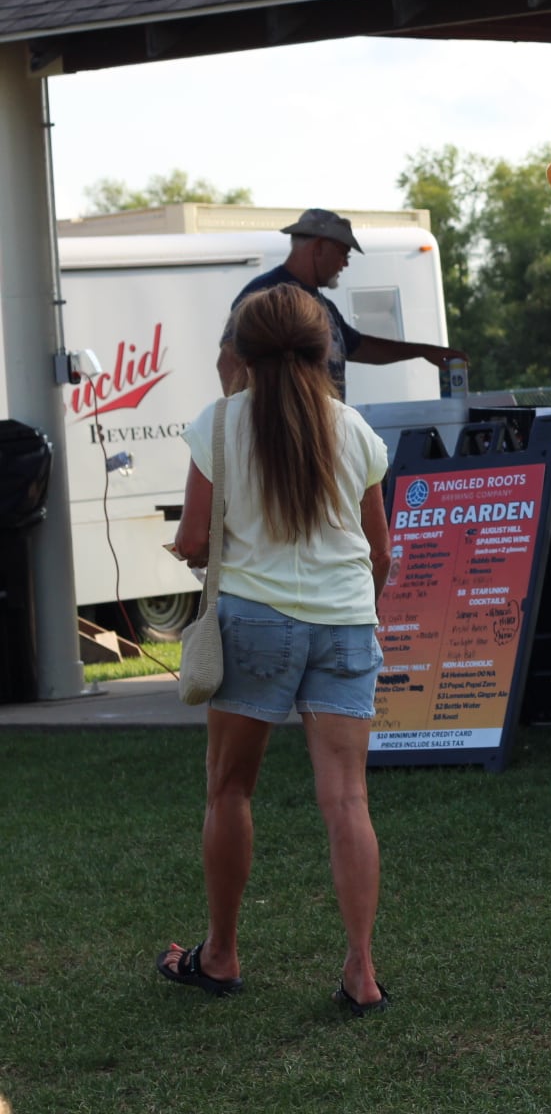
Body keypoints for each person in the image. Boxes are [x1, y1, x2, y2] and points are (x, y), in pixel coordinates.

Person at [157, 284, 394, 1017]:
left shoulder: (218, 422)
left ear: (241, 353)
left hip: (254, 620)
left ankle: (221, 956)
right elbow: (379, 552)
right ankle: (361, 971)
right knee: (347, 799)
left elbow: (197, 540)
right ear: (325, 351)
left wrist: (189, 551)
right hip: (348, 621)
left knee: (230, 790)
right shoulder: (354, 429)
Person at [216, 207, 466, 397]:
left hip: (322, 437)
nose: (345, 263)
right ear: (319, 247)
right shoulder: (266, 294)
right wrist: (252, 430)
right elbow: (228, 361)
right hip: (287, 443)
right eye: (343, 254)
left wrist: (424, 351)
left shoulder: (325, 307)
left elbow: (359, 347)